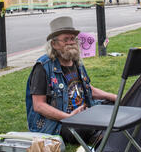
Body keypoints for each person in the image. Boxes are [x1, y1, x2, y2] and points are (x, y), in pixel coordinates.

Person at [26, 16, 117, 144]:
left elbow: (87, 89)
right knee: (82, 128)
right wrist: (69, 117)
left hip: (83, 114)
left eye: (73, 39)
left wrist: (114, 97)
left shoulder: (76, 62)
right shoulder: (43, 67)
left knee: (115, 106)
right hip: (59, 122)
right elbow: (39, 105)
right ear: (54, 44)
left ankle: (103, 131)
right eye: (65, 39)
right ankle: (103, 135)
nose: (70, 42)